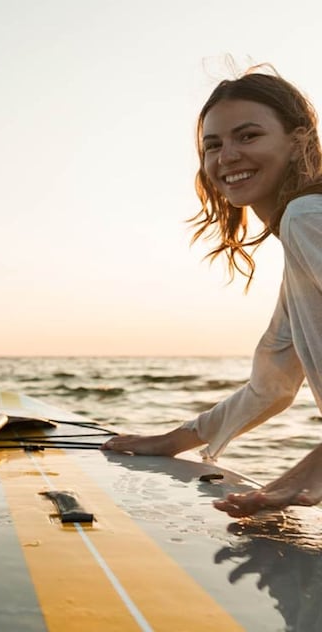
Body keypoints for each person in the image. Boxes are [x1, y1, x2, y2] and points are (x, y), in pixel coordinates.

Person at [101, 67, 322, 518]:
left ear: (299, 141)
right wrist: (175, 440)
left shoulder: (306, 217)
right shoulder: (301, 234)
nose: (228, 156)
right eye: (213, 145)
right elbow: (272, 385)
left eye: (248, 136)